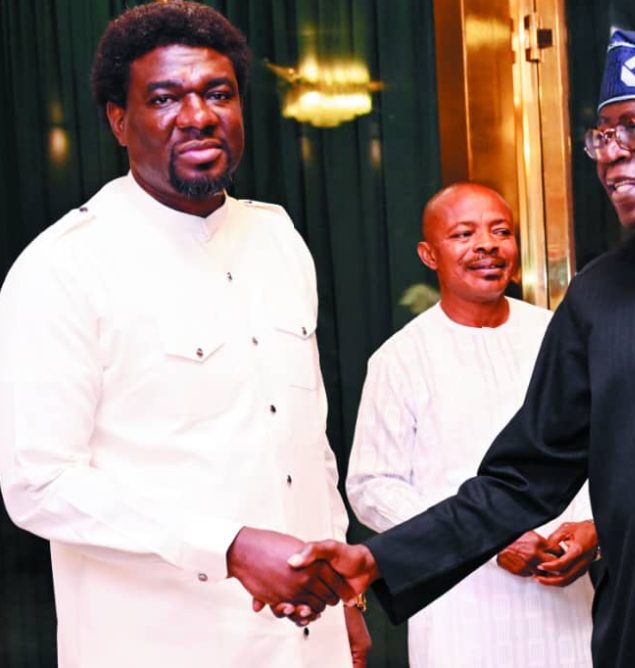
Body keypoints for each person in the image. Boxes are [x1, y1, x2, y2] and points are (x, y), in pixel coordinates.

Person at [289, 15, 635, 667]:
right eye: (604, 135)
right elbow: (521, 479)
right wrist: (376, 558)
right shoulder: (598, 296)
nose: (613, 154)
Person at [0, 2, 368, 666]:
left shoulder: (278, 237)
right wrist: (226, 544)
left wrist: (345, 597)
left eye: (217, 93)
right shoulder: (63, 267)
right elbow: (40, 484)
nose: (197, 115)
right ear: (119, 119)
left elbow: (305, 439)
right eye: (165, 97)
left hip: (306, 640)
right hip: (161, 643)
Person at [346, 183, 595, 667]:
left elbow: (600, 450)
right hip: (461, 605)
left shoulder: (557, 336)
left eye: (500, 231)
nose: (486, 245)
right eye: (464, 233)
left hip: (566, 600)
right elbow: (371, 486)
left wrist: (592, 529)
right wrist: (483, 538)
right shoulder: (401, 357)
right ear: (429, 254)